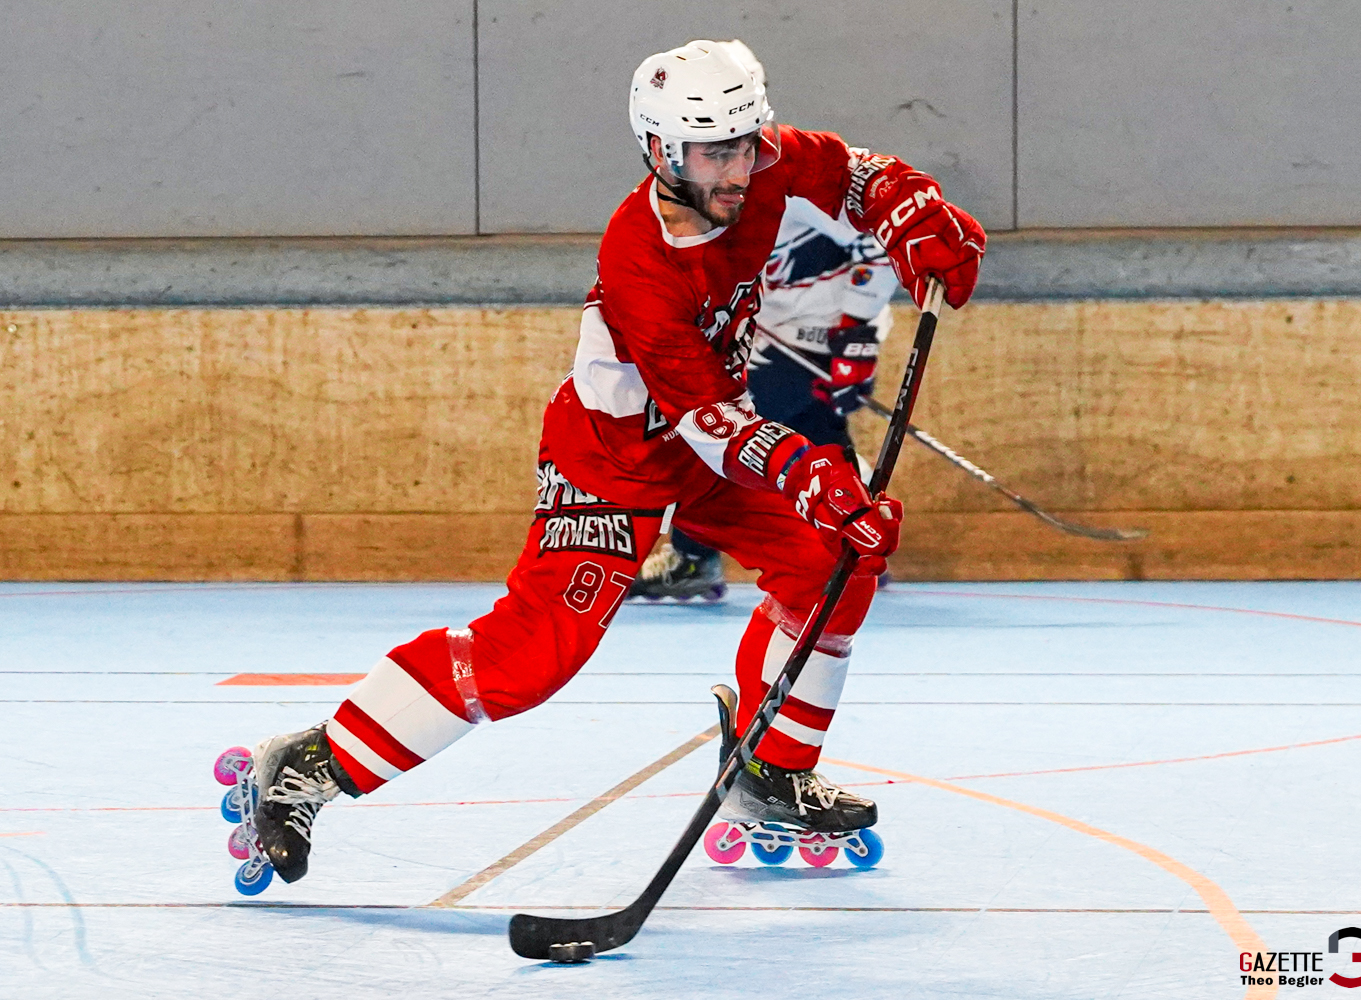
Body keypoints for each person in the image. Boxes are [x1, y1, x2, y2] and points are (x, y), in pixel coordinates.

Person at [237, 38, 984, 888]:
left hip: (703, 446)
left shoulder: (764, 161)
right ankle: (308, 764)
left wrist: (915, 213)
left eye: (745, 143)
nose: (738, 169)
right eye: (714, 152)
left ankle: (770, 771)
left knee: (836, 560)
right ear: (661, 151)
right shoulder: (639, 255)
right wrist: (811, 476)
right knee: (529, 660)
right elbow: (704, 411)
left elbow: (857, 174)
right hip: (614, 459)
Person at [630, 42, 903, 603]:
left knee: (732, 435)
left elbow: (878, 247)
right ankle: (852, 546)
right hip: (769, 336)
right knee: (811, 431)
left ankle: (694, 554)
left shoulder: (787, 184)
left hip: (819, 339)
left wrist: (856, 335)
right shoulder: (708, 195)